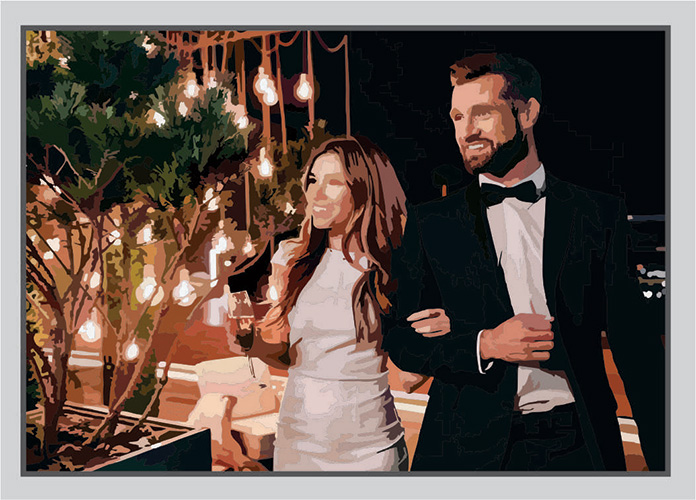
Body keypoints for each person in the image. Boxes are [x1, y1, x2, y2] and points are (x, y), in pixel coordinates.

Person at [382, 53, 665, 471]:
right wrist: (485, 343)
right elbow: (403, 340)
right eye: (458, 117)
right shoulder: (430, 222)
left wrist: (668, 468)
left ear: (528, 112)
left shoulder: (596, 215)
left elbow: (638, 354)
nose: (467, 130)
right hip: (463, 447)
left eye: (482, 113)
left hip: (577, 445)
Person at [228, 136, 411, 471]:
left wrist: (441, 328)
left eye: (334, 183)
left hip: (371, 452)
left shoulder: (391, 266)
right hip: (297, 447)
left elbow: (413, 374)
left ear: (363, 189)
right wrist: (252, 344)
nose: (316, 194)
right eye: (313, 181)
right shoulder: (292, 258)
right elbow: (289, 355)